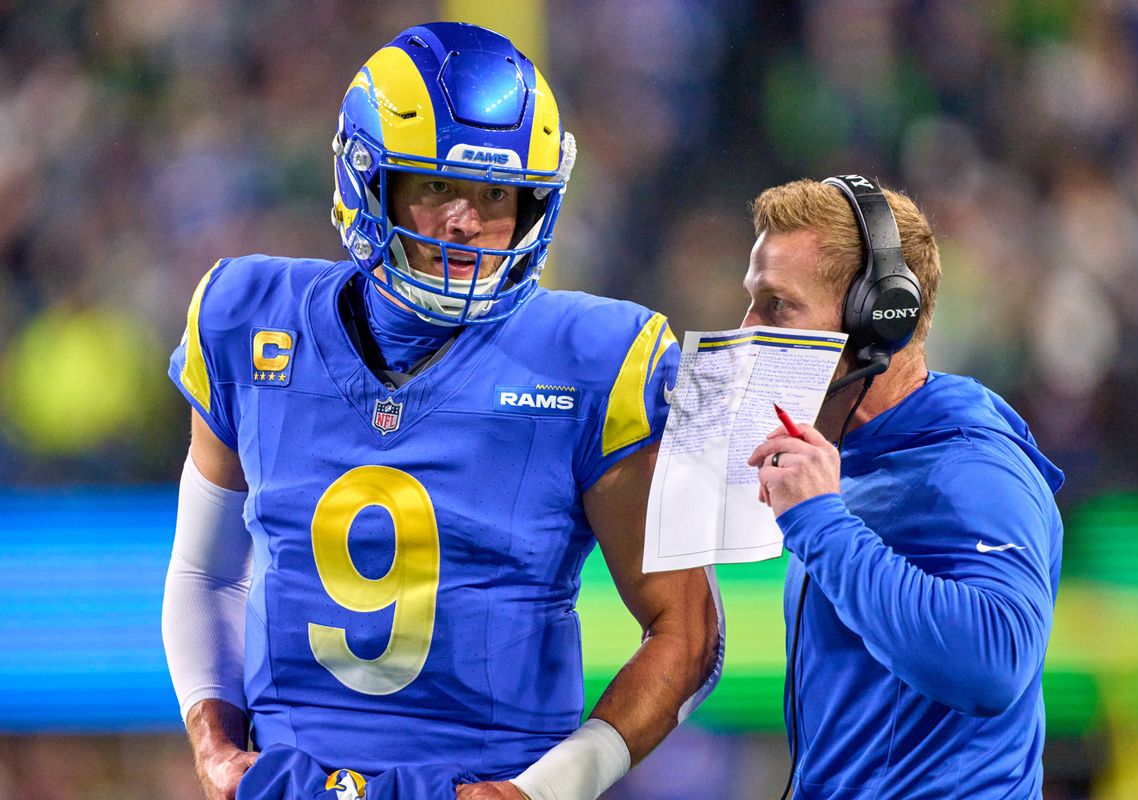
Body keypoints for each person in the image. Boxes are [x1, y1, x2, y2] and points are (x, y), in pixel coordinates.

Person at [162, 22, 722, 800]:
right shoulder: (247, 317)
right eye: (436, 188)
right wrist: (215, 742)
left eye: (496, 194)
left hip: (490, 779)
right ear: (368, 179)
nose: (467, 222)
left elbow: (689, 632)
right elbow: (205, 568)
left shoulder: (603, 357)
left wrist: (543, 791)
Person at [742, 176, 1063, 799]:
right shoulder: (844, 459)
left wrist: (822, 525)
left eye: (778, 305)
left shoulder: (975, 470)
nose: (749, 328)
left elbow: (994, 664)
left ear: (877, 320)